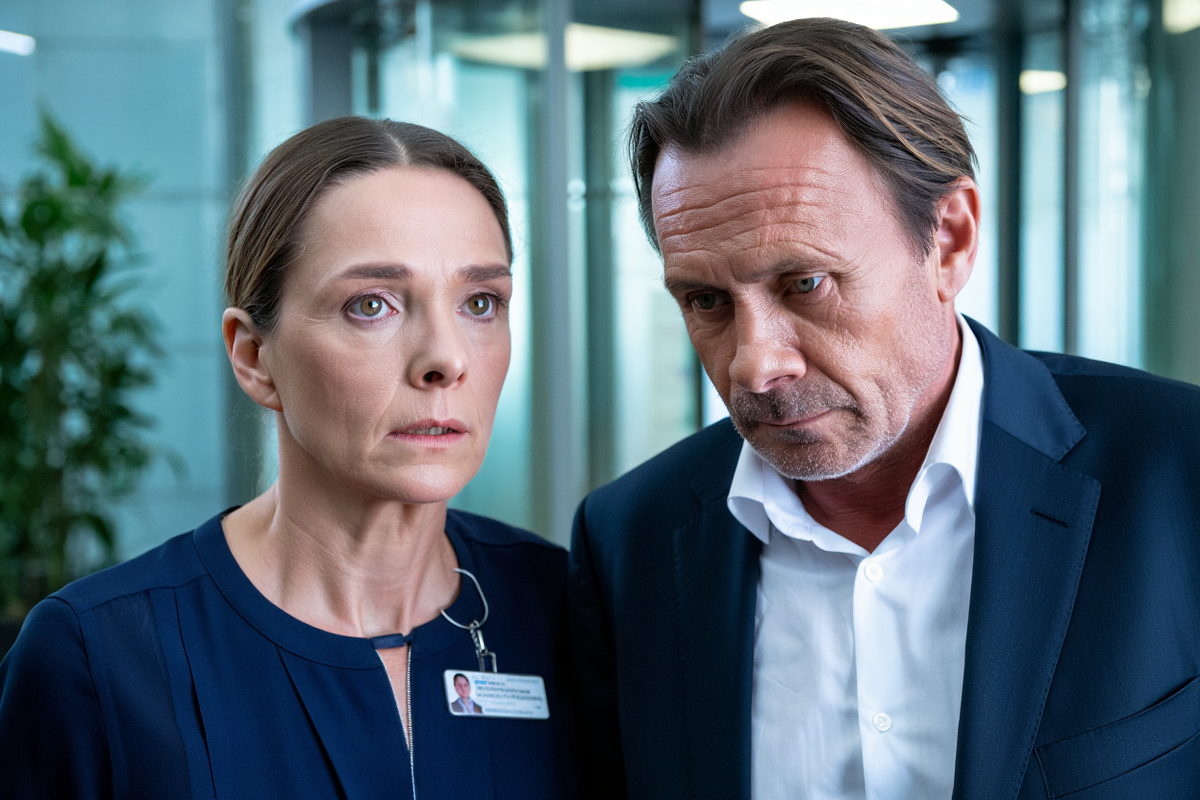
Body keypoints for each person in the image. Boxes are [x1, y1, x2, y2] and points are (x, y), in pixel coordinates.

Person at [568, 17, 1200, 800]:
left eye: (806, 284)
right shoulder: (628, 541)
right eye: (706, 300)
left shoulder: (1179, 473)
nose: (755, 364)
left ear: (950, 241)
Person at [0, 117, 577, 799]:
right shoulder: (97, 656)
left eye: (480, 302)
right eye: (372, 305)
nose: (446, 359)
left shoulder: (570, 609)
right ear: (254, 357)